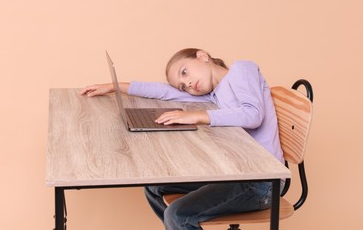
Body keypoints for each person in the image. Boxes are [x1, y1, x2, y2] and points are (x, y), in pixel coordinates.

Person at [80, 48, 284, 230]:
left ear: (202, 56)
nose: (187, 84)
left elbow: (253, 114)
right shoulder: (212, 95)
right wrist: (114, 86)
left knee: (177, 215)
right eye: (183, 87)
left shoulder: (242, 69)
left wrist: (198, 116)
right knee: (155, 187)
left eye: (184, 72)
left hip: (263, 182)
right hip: (235, 173)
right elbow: (164, 92)